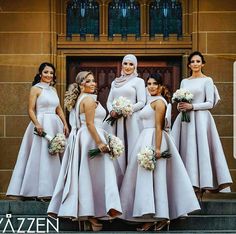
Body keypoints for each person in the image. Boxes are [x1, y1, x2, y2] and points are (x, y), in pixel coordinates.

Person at [120, 74, 200, 231]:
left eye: (154, 84)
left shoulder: (160, 103)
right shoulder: (150, 100)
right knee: (147, 179)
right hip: (144, 139)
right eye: (149, 83)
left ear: (161, 86)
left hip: (155, 140)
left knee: (157, 178)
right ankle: (151, 216)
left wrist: (157, 148)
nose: (151, 86)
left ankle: (160, 216)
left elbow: (158, 126)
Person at [47, 71, 122, 231]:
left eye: (94, 81)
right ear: (82, 84)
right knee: (94, 177)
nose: (94, 83)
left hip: (86, 138)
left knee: (89, 177)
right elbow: (90, 124)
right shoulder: (87, 99)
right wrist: (100, 143)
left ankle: (90, 214)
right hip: (91, 140)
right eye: (89, 81)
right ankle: (90, 214)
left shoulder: (82, 98)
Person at [171, 51, 232, 199]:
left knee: (201, 150)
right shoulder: (184, 82)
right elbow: (182, 98)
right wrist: (180, 106)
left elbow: (210, 103)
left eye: (198, 61)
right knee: (188, 150)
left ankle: (201, 188)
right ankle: (189, 188)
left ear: (202, 64)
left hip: (201, 120)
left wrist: (192, 107)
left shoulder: (207, 81)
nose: (195, 64)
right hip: (186, 121)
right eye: (192, 61)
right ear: (189, 64)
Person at [7, 62, 69, 199]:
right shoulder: (35, 89)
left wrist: (65, 124)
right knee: (40, 156)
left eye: (51, 73)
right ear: (40, 74)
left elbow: (58, 109)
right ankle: (37, 191)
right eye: (46, 72)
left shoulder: (53, 90)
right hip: (41, 123)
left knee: (55, 156)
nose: (49, 75)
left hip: (55, 124)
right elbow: (30, 109)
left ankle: (54, 191)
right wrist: (37, 124)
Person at [106, 54, 146, 188]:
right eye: (125, 64)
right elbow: (109, 100)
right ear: (122, 65)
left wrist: (126, 109)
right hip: (115, 120)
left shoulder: (138, 81)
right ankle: (116, 181)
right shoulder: (115, 82)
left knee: (131, 148)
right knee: (115, 149)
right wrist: (112, 110)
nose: (128, 67)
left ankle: (130, 184)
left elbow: (142, 102)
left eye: (131, 64)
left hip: (131, 120)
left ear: (135, 66)